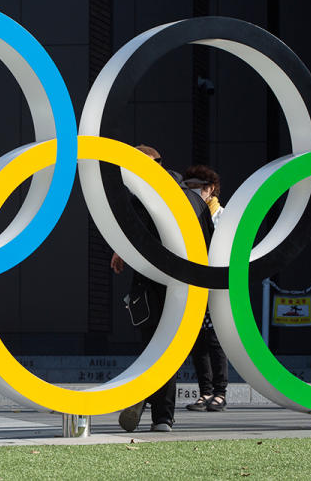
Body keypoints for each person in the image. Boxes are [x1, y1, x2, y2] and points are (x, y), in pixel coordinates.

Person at [113, 146, 214, 432]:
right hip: (188, 285)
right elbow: (210, 244)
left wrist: (121, 251)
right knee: (169, 349)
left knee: (154, 348)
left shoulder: (145, 198)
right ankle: (161, 416)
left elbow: (135, 237)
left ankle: (144, 398)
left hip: (151, 283)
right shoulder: (194, 200)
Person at [182, 165, 229, 412]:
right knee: (197, 340)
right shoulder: (185, 215)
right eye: (187, 187)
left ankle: (220, 392)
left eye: (195, 188)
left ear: (210, 189)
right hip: (195, 284)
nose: (190, 193)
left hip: (216, 286)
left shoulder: (222, 215)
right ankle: (205, 392)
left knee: (214, 338)